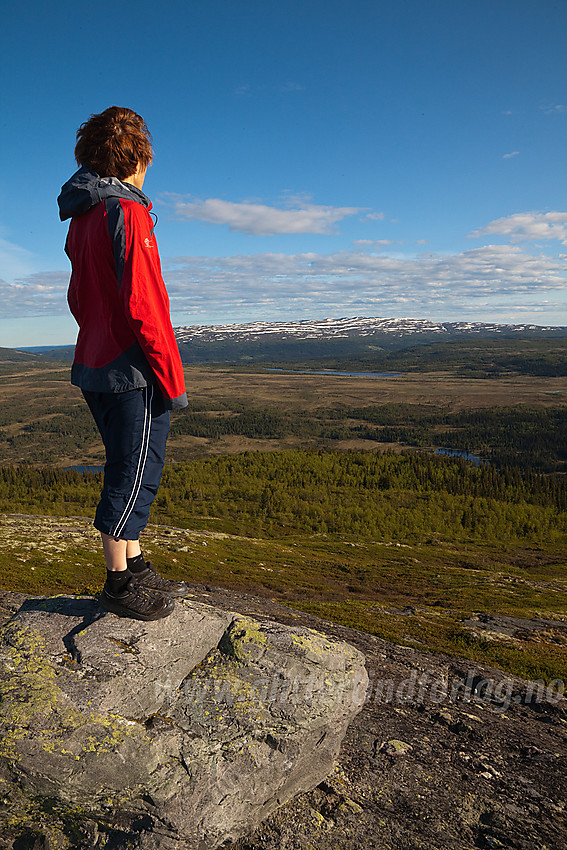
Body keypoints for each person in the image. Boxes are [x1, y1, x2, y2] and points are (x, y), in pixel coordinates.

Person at [58, 106, 189, 621]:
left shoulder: (85, 217)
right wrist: (170, 377)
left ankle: (134, 566)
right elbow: (147, 304)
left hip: (95, 360)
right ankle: (117, 582)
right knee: (135, 471)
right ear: (135, 159)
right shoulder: (127, 214)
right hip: (129, 367)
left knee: (127, 463)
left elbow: (80, 297)